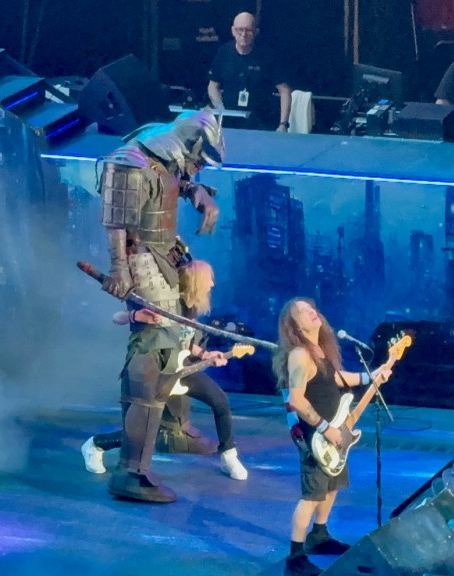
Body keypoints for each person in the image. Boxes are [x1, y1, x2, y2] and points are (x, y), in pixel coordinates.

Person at [98, 109, 223, 503]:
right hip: (142, 259)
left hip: (166, 251)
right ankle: (131, 470)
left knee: (181, 333)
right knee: (153, 353)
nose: (199, 166)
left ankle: (173, 427)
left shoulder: (163, 154)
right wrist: (119, 269)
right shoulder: (130, 161)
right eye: (200, 158)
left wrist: (196, 192)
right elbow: (117, 220)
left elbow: (172, 179)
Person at [82, 260, 248, 481]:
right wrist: (136, 317)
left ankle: (228, 455)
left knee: (220, 401)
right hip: (159, 370)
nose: (212, 284)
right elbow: (117, 317)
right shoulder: (165, 301)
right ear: (196, 281)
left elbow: (184, 341)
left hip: (181, 368)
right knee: (145, 428)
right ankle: (96, 445)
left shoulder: (191, 307)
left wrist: (206, 354)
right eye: (209, 278)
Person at [273, 298, 394, 576]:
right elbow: (296, 400)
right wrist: (326, 428)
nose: (311, 312)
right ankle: (295, 558)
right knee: (312, 496)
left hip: (335, 432)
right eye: (302, 312)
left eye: (311, 308)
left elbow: (337, 379)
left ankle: (319, 535)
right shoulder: (300, 355)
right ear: (294, 325)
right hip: (315, 436)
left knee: (331, 486)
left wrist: (371, 376)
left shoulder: (319, 350)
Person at [207, 12, 292, 132]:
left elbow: (285, 90)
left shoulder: (268, 55)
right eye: (240, 30)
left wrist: (283, 124)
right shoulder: (223, 52)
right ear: (233, 31)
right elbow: (213, 86)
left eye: (248, 30)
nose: (243, 34)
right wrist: (221, 110)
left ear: (256, 32)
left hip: (262, 124)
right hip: (229, 124)